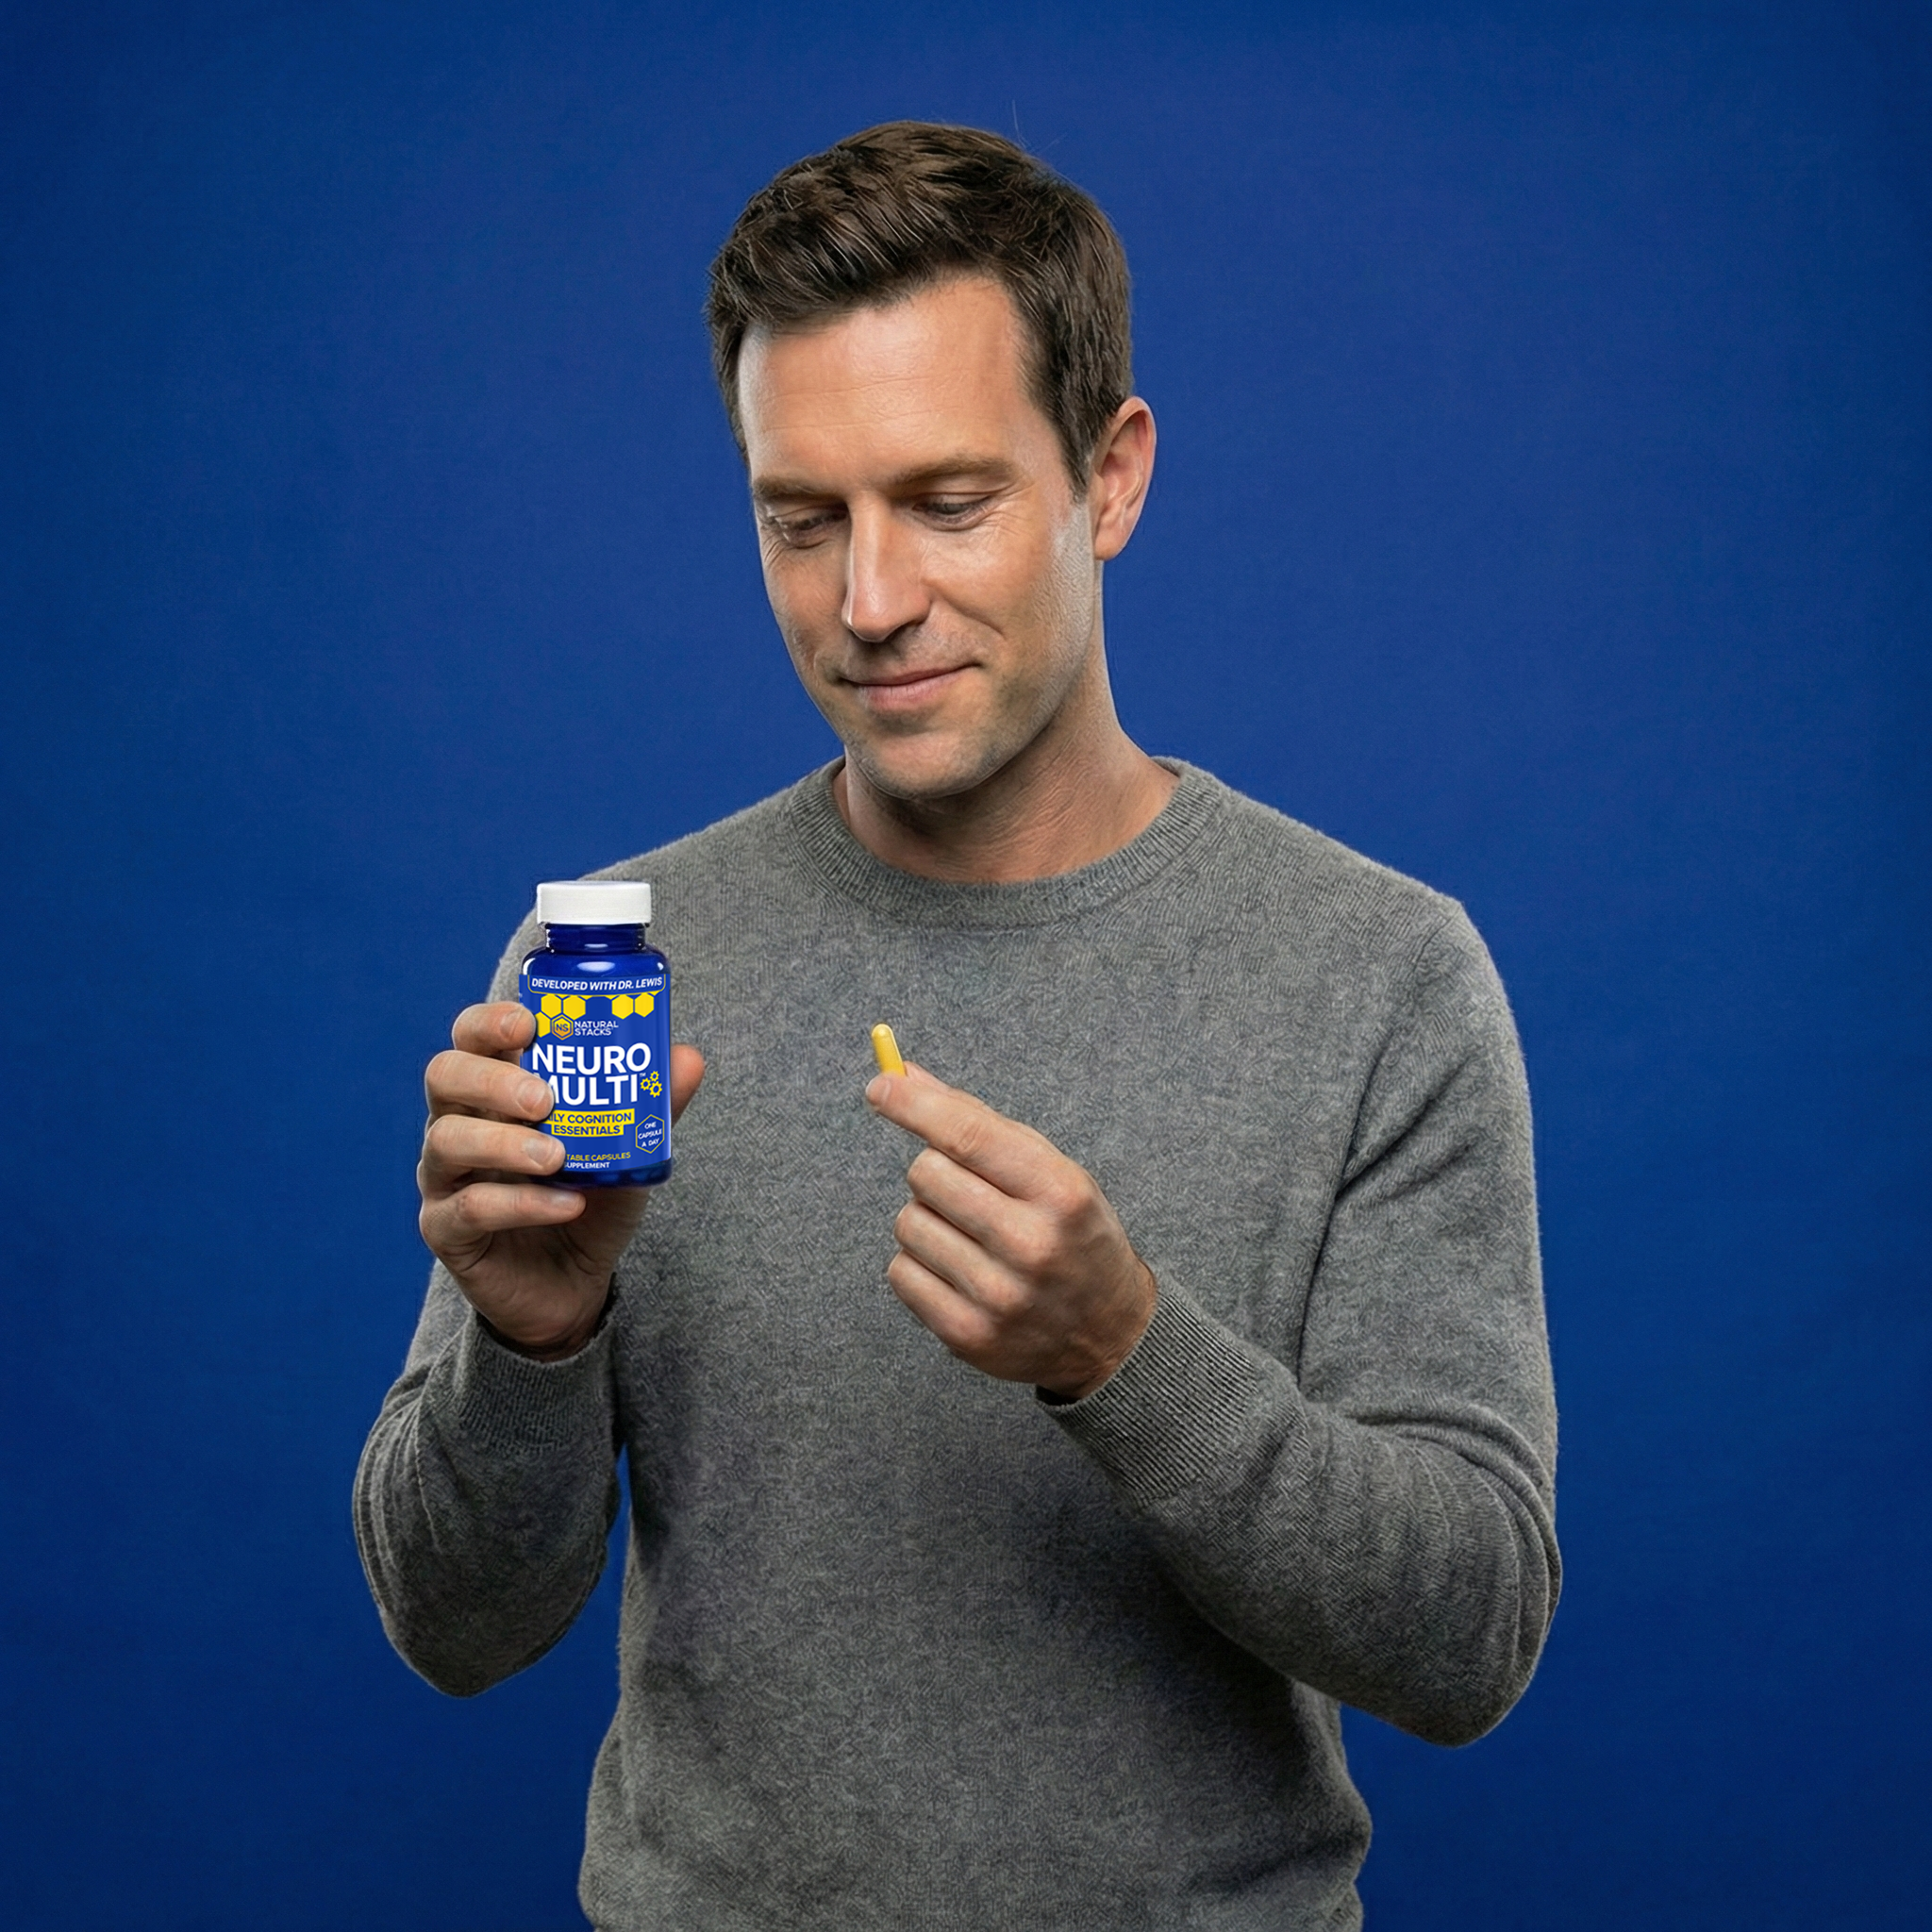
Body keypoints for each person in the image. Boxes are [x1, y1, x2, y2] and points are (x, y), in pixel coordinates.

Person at [356, 122, 1558, 1930]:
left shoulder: (1380, 975)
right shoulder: (610, 962)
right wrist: (530, 1340)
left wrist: (1126, 1358)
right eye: (801, 518)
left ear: (1113, 476)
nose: (869, 602)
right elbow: (455, 1632)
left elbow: (1467, 1640)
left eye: (947, 501)